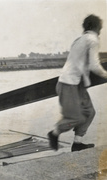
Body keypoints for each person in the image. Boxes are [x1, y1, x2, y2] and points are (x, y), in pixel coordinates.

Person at [48, 14, 107, 152]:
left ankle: (77, 143)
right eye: (100, 28)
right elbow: (94, 66)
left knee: (89, 112)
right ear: (96, 27)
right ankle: (54, 133)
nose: (100, 31)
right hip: (69, 84)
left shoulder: (79, 40)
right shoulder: (92, 40)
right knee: (76, 118)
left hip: (76, 84)